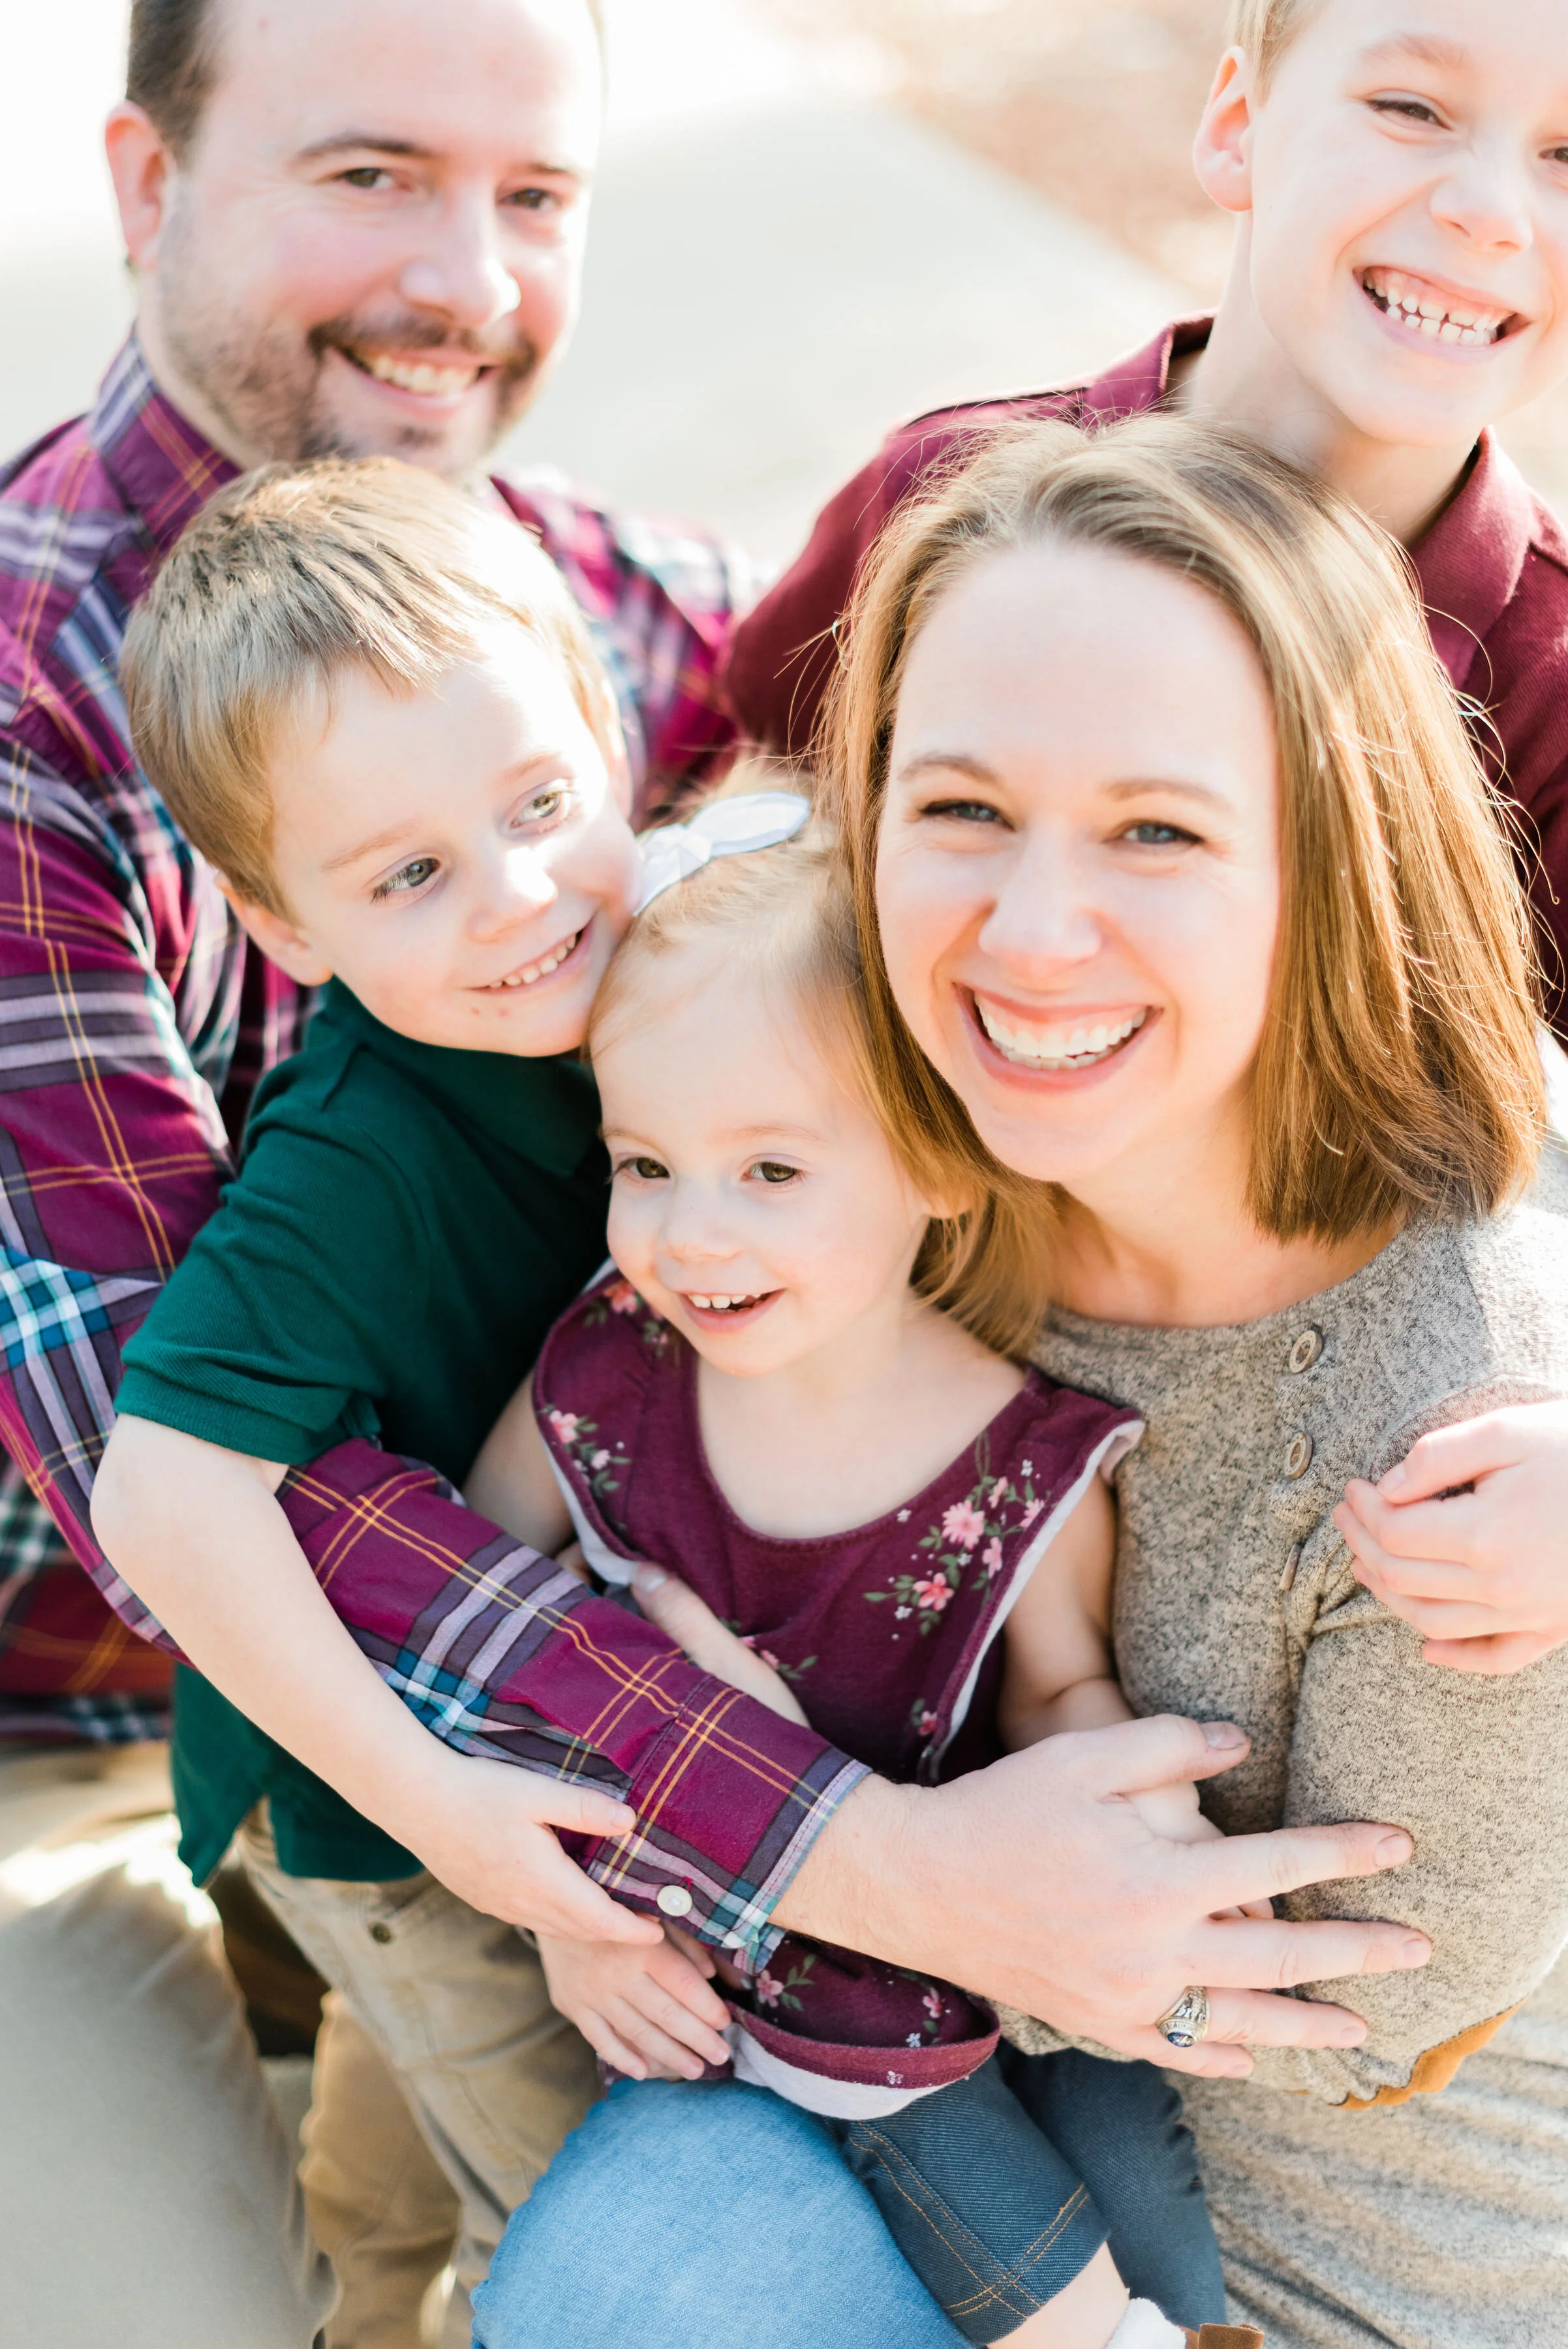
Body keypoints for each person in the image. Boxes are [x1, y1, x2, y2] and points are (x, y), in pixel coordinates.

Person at [476, 420, 1568, 2346]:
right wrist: (857, 1859)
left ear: (1325, 856)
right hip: (871, 2074)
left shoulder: (1461, 1425)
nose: (1034, 933)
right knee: (626, 2308)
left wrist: (790, 1834)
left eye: (1157, 829)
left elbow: (1366, 2014)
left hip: (1319, 2250)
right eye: (961, 809)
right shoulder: (857, 1148)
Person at [0, 0, 750, 2340]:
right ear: (148, 186)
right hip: (64, 1747)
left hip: (519, 1692)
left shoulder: (640, 618)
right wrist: (788, 1814)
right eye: (370, 174)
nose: (466, 278)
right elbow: (191, 1455)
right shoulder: (31, 701)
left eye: (536, 198)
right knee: (171, 2320)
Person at [725, 0, 1568, 1653]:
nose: (1487, 206)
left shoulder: (1547, 682)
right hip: (869, 1434)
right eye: (1410, 106)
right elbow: (722, 881)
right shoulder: (951, 501)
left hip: (1301, 1560)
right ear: (1238, 120)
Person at [463, 818, 1229, 2348]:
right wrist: (556, 1911)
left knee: (1164, 2210)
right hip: (749, 1965)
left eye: (769, 1170)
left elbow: (1060, 1680)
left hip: (991, 1928)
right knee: (933, 2125)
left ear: (933, 1163)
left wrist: (1135, 1807)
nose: (691, 1232)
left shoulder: (1009, 1459)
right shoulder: (608, 1376)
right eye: (646, 1165)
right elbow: (471, 1623)